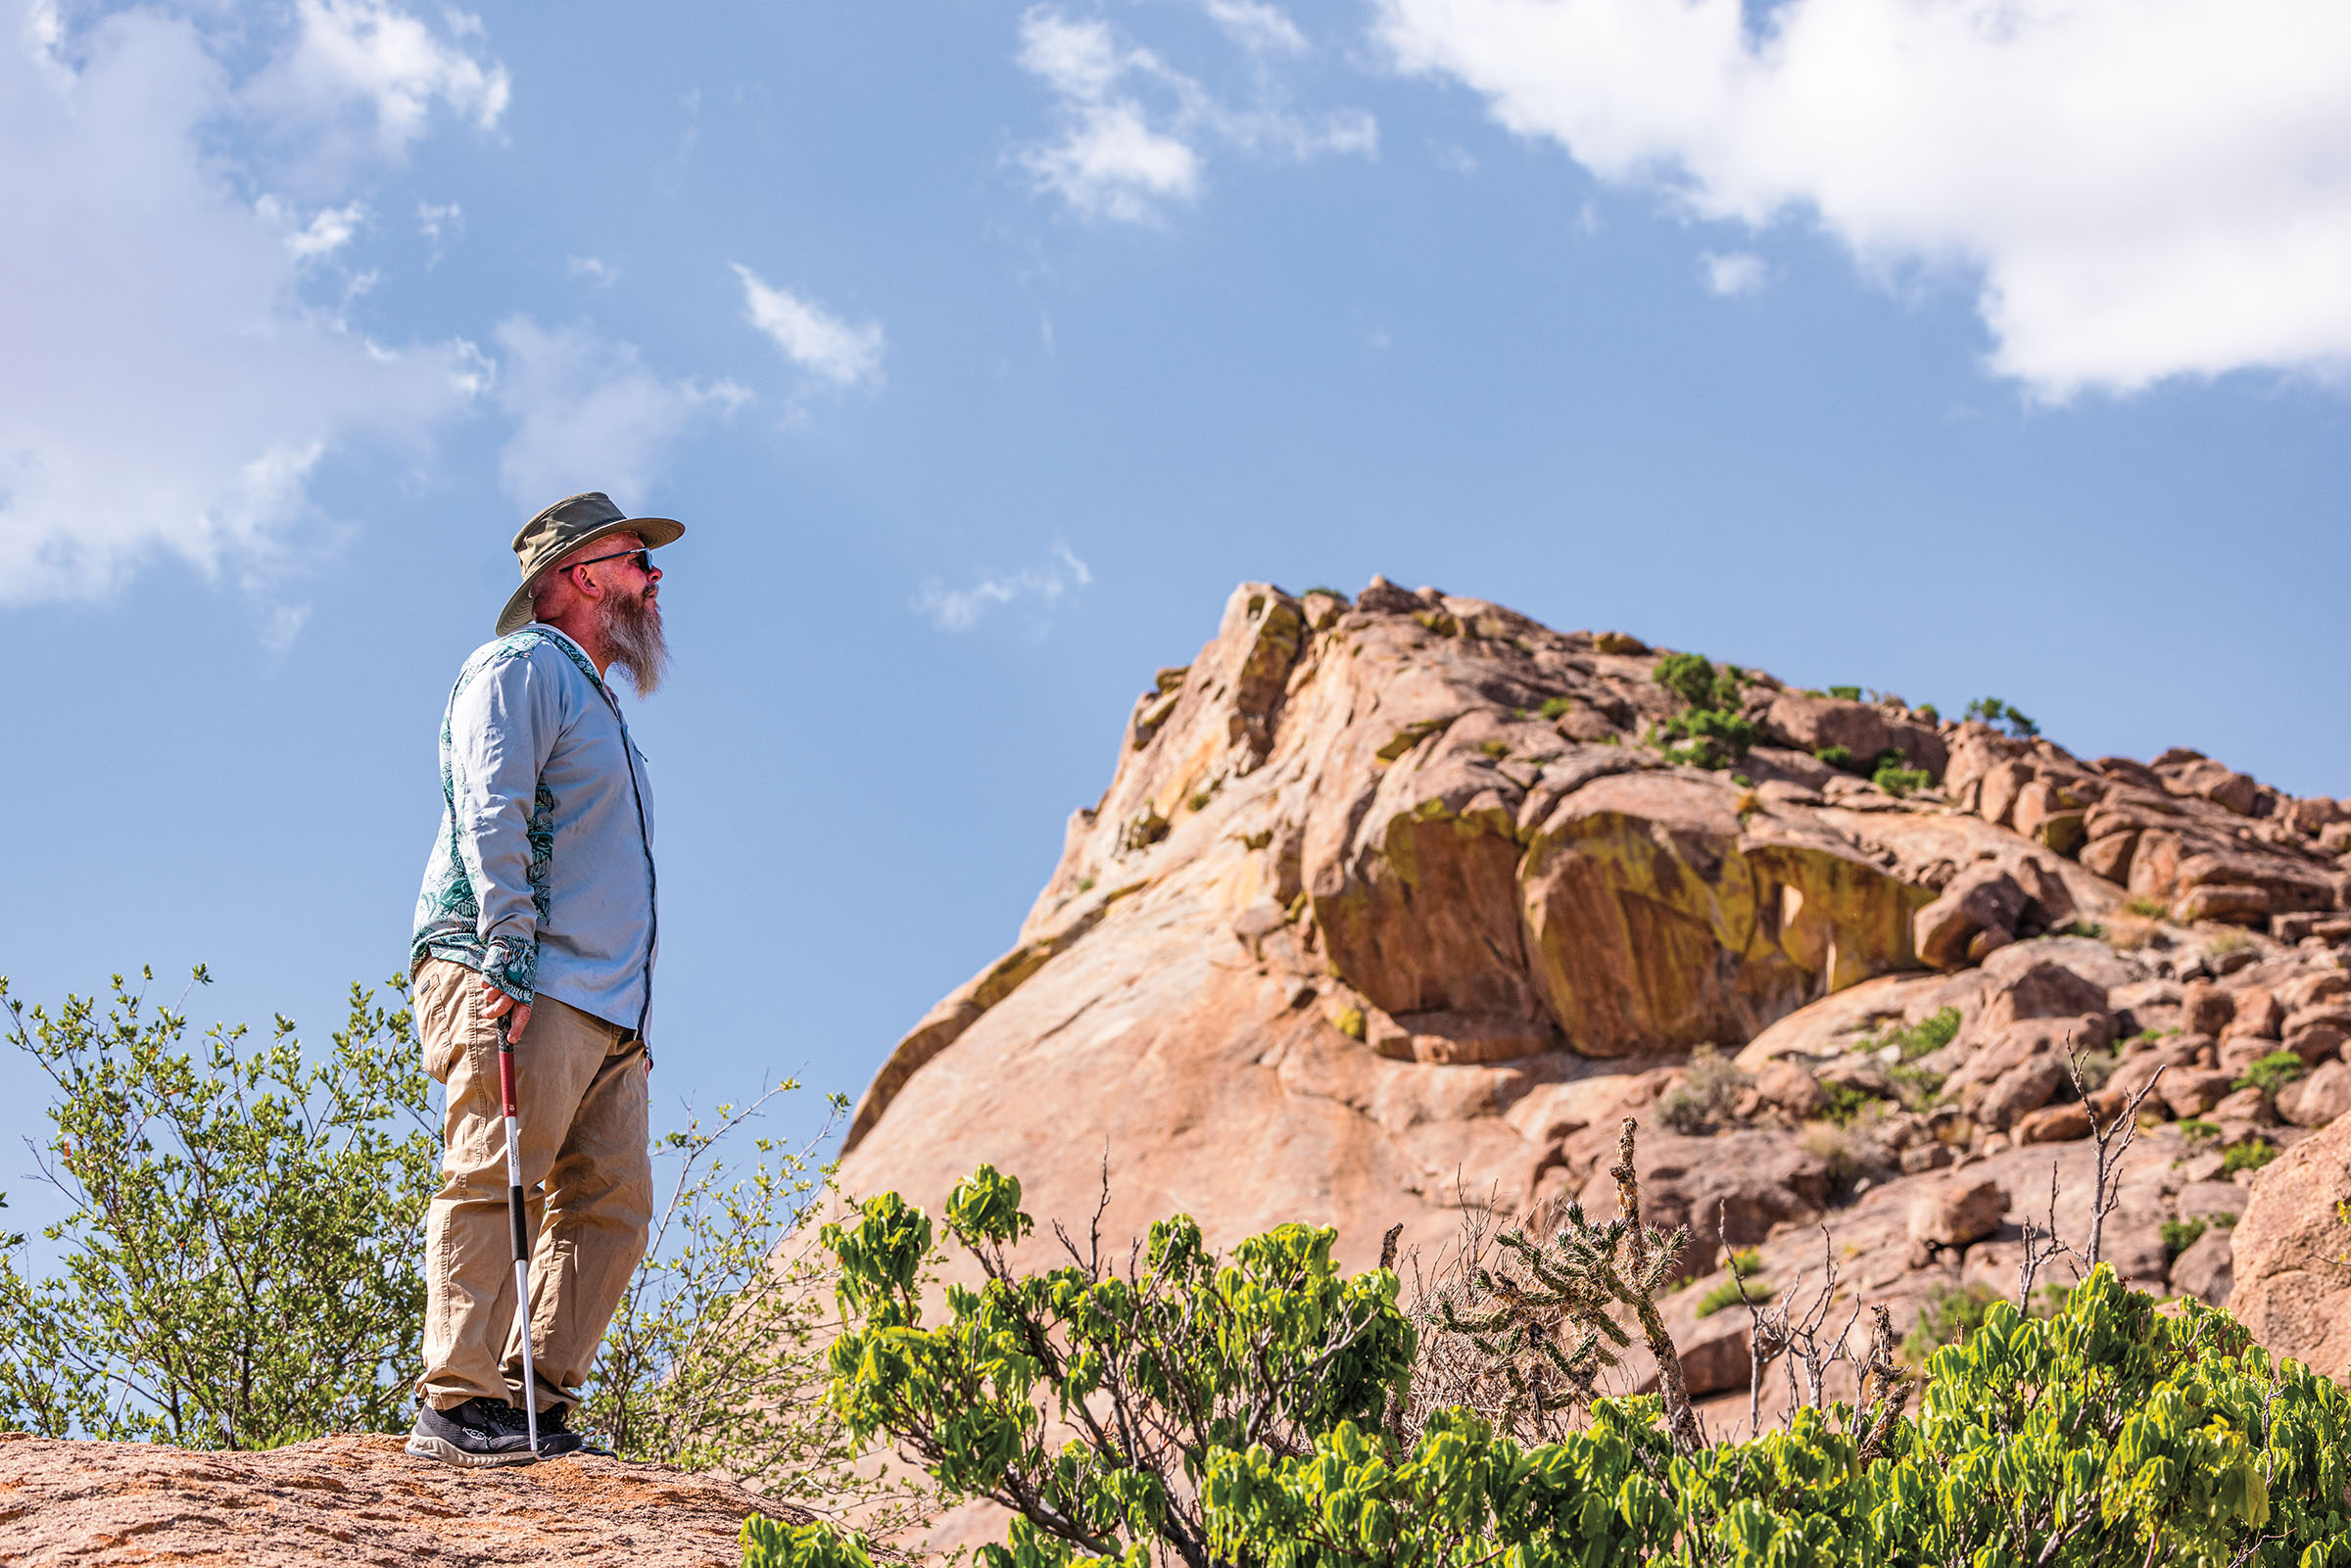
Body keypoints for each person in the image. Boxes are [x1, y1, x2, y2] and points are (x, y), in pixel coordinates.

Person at [403, 492, 678, 1466]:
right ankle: (458, 1400)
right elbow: (493, 805)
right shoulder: (518, 667)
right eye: (636, 558)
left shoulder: (599, 704)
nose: (654, 578)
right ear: (575, 575)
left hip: (604, 1007)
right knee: (497, 1176)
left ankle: (530, 1401)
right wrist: (507, 951)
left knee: (612, 1203)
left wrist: (634, 1018)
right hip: (517, 971)